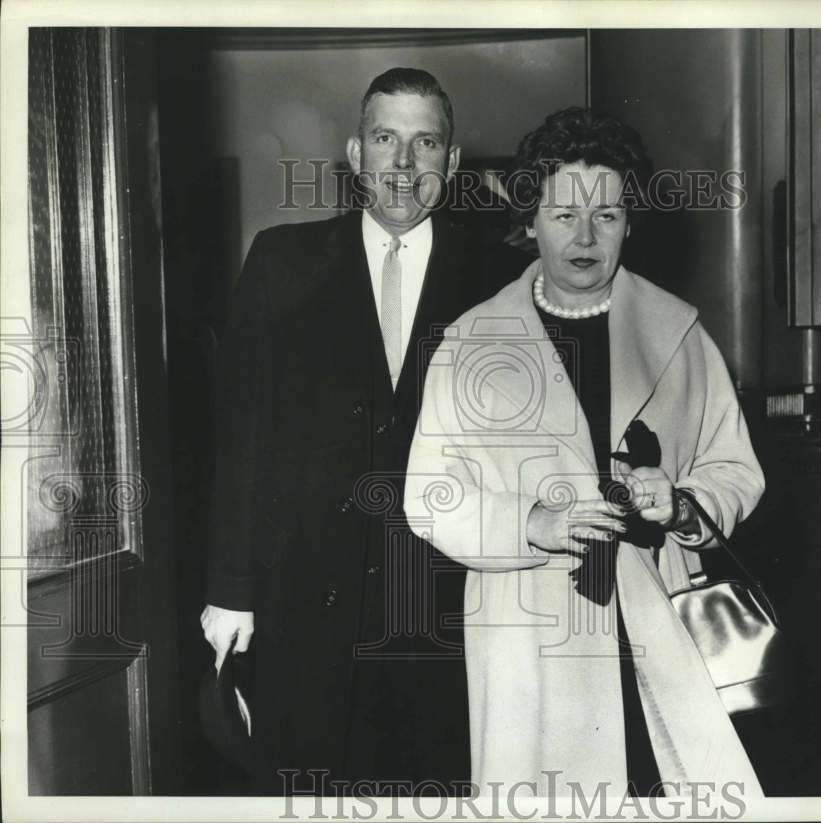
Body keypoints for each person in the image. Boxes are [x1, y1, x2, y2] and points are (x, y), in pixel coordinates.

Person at [404, 107, 766, 798]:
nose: (585, 235)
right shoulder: (472, 341)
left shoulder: (681, 333)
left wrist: (684, 503)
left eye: (607, 214)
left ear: (631, 222)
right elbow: (430, 495)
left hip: (656, 627)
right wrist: (532, 523)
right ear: (530, 221)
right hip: (529, 634)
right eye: (564, 213)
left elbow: (734, 469)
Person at [200, 68, 518, 794]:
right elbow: (240, 437)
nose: (404, 165)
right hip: (305, 609)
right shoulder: (282, 263)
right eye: (385, 139)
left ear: (453, 161)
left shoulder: (501, 276)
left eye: (425, 142)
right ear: (354, 152)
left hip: (450, 611)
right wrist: (230, 589)